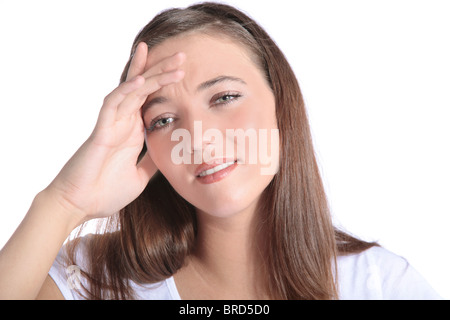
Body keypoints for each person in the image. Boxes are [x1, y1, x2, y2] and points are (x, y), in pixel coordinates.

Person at [0, 2, 441, 300]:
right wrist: (65, 201)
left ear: (281, 103)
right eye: (164, 120)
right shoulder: (97, 279)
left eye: (224, 98)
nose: (200, 137)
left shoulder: (381, 285)